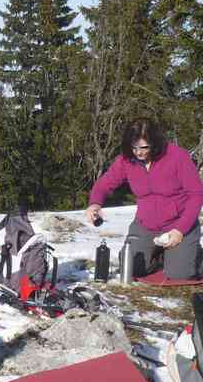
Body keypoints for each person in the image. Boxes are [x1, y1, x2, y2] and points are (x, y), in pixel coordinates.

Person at [86, 118, 203, 280]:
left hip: (178, 224)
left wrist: (180, 230)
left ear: (154, 143)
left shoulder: (177, 156)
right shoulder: (126, 160)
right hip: (146, 224)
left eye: (143, 147)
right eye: (134, 147)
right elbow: (105, 183)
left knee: (180, 275)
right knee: (130, 266)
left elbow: (196, 194)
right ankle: (162, 255)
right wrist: (95, 204)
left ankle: (192, 253)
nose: (138, 152)